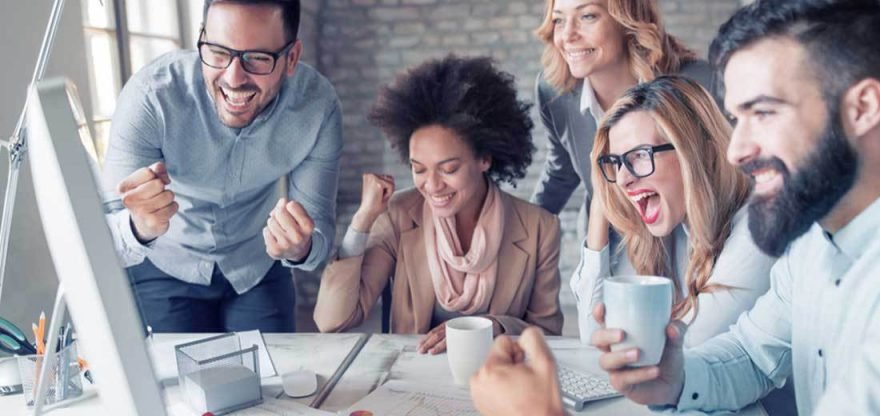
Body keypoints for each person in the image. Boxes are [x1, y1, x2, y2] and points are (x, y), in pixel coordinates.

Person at [471, 1, 880, 414]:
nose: (736, 149)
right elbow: (754, 352)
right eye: (737, 117)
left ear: (863, 107)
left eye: (762, 113)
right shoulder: (817, 236)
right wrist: (674, 377)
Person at [101, 0, 343, 333]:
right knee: (172, 385)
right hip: (164, 265)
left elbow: (320, 236)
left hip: (257, 268)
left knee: (272, 381)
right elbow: (104, 239)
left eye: (257, 58)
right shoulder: (151, 96)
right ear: (201, 38)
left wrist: (301, 247)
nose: (233, 77)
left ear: (292, 58)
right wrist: (139, 225)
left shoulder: (318, 107)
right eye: (217, 52)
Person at [313, 56, 563, 354]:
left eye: (448, 169)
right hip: (417, 377)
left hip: (499, 376)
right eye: (419, 169)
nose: (432, 185)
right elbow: (333, 321)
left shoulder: (539, 228)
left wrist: (495, 327)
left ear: (484, 159)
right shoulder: (398, 216)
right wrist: (362, 221)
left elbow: (548, 335)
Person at [574, 75, 772, 348]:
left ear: (695, 151)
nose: (622, 179)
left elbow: (688, 348)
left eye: (640, 155)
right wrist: (600, 206)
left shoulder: (759, 224)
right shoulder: (666, 228)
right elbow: (594, 336)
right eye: (615, 162)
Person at [530, 0, 717, 232]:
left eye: (587, 16)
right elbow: (562, 169)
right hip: (607, 239)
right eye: (558, 20)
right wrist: (523, 232)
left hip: (692, 234)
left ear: (627, 20)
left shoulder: (700, 83)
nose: (568, 35)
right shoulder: (553, 91)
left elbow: (730, 178)